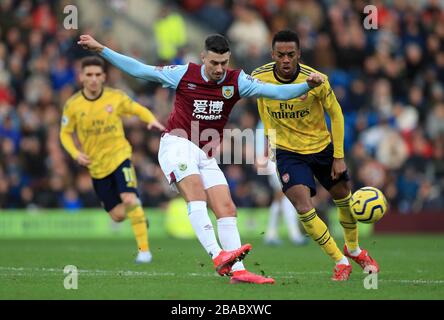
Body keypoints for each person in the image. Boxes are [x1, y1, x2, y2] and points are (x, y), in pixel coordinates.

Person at [77, 33, 324, 284]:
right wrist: (102, 50)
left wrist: (307, 85)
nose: (219, 69)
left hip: (205, 155)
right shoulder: (184, 74)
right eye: (214, 63)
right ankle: (218, 256)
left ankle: (238, 272)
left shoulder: (237, 81)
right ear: (203, 57)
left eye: (224, 63)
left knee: (227, 208)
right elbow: (140, 70)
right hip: (177, 143)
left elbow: (276, 92)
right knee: (197, 194)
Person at [252, 30, 380, 281]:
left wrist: (339, 156)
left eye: (291, 54)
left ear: (299, 54)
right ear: (272, 55)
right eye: (280, 55)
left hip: (321, 148)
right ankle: (340, 261)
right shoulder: (259, 76)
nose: (286, 59)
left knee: (343, 197)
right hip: (288, 152)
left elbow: (337, 114)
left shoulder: (316, 79)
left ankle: (353, 249)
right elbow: (261, 103)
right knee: (302, 205)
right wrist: (270, 138)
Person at [60, 56, 165, 264]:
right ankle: (138, 214)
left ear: (104, 77)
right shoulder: (73, 105)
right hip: (96, 167)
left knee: (128, 198)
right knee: (117, 215)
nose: (93, 79)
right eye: (89, 75)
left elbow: (137, 109)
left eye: (97, 75)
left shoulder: (115, 97)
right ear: (81, 77)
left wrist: (151, 119)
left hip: (120, 157)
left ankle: (144, 252)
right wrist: (75, 153)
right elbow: (64, 133)